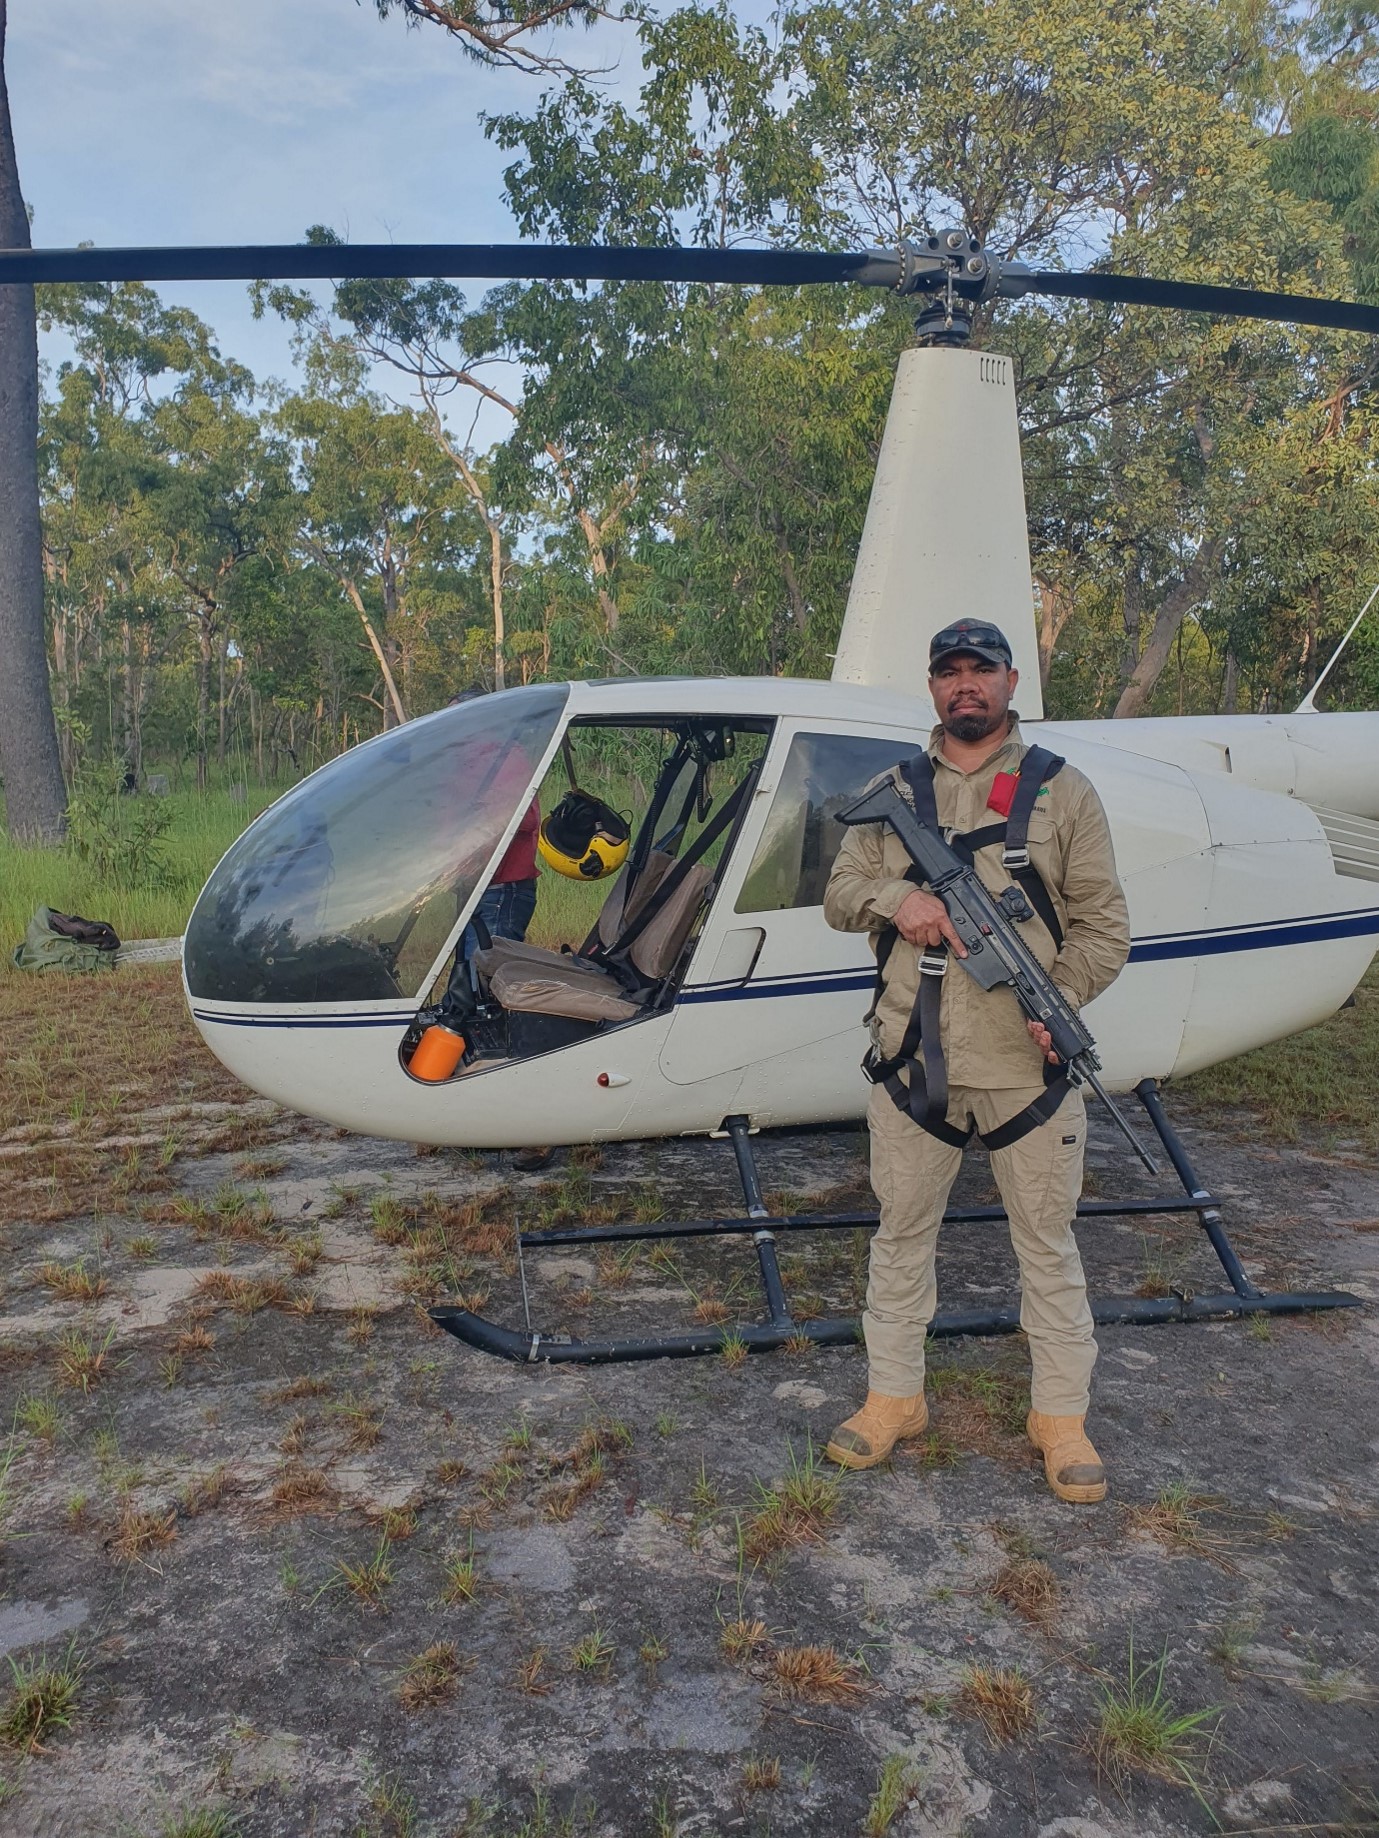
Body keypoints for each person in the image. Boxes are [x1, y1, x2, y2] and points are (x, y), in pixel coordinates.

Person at [822, 619, 1130, 1503]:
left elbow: (1104, 929)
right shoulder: (891, 789)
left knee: (1046, 1243)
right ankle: (892, 1400)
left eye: (980, 671)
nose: (966, 686)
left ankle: (1059, 1417)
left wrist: (1055, 1002)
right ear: (932, 688)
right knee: (899, 1235)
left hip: (1023, 1069)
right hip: (912, 1059)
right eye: (949, 673)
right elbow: (841, 895)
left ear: (1009, 680)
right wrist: (900, 899)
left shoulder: (1063, 793)